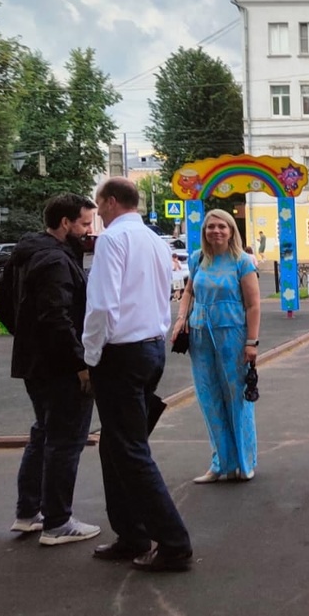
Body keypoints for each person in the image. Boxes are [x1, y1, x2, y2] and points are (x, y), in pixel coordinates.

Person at [83, 177, 193, 572]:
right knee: (115, 445)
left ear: (111, 202)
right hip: (148, 347)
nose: (98, 216)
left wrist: (90, 356)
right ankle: (131, 534)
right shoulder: (154, 241)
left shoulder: (113, 240)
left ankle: (173, 542)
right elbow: (162, 295)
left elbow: (102, 305)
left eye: (98, 208)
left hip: (120, 353)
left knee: (129, 449)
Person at [0, 193, 101, 546]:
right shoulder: (55, 261)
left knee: (44, 432)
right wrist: (79, 364)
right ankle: (58, 522)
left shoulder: (25, 254)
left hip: (32, 362)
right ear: (65, 223)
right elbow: (57, 317)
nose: (88, 231)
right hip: (60, 367)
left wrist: (23, 334)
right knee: (65, 440)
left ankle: (29, 513)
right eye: (84, 223)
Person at [171, 209, 261, 484]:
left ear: (232, 230)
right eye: (211, 226)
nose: (216, 231)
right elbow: (189, 291)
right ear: (205, 231)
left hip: (232, 335)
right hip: (200, 335)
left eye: (222, 226)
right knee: (209, 399)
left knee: (237, 398)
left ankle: (244, 462)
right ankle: (220, 462)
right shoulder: (198, 259)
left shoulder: (242, 261)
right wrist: (181, 318)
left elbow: (254, 304)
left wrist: (251, 342)